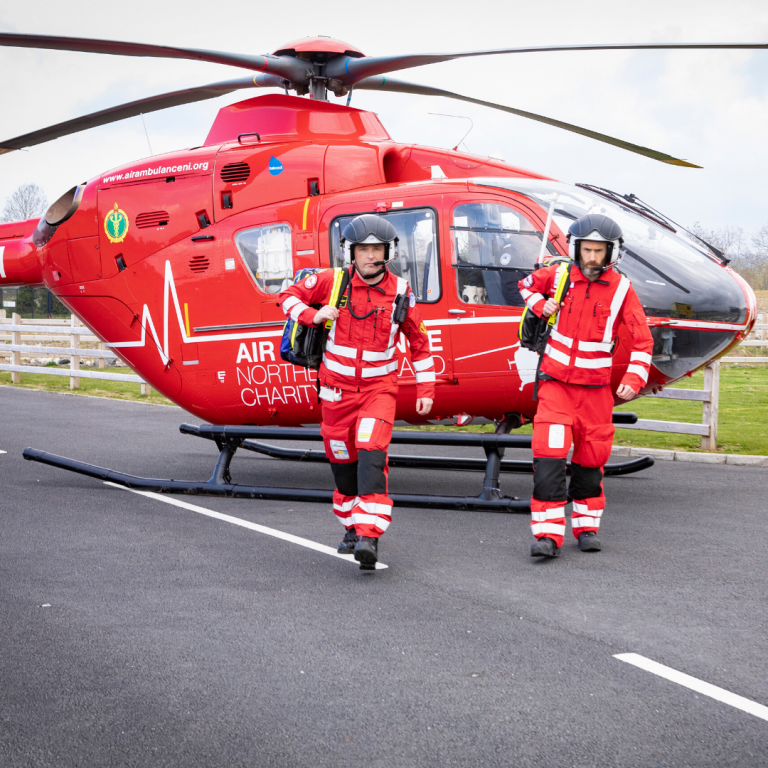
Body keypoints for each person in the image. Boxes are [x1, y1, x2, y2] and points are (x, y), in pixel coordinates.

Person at [279, 214, 436, 569]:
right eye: (363, 249)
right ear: (351, 252)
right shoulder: (331, 282)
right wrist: (311, 315)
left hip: (378, 391)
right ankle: (351, 528)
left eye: (376, 249)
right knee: (344, 469)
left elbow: (420, 344)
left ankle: (369, 536)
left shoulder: (401, 292)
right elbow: (287, 296)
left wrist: (426, 388)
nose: (369, 256)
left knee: (371, 452)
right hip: (335, 393)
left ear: (388, 252)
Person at [518, 214, 653, 558]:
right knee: (548, 458)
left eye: (599, 251)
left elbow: (642, 340)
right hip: (556, 386)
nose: (592, 258)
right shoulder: (559, 274)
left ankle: (587, 527)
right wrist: (540, 304)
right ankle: (547, 536)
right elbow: (524, 285)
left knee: (591, 461)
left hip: (595, 392)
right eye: (586, 249)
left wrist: (634, 378)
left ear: (612, 254)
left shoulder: (622, 288)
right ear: (576, 248)